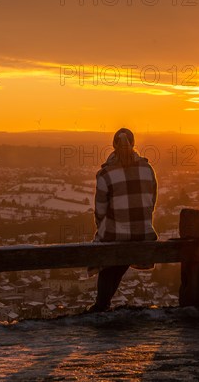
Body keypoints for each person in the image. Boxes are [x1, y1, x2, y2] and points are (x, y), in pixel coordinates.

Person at [86, 128, 158, 313]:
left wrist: (101, 227)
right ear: (133, 144)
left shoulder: (105, 174)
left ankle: (101, 305)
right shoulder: (147, 169)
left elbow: (100, 210)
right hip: (143, 233)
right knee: (118, 261)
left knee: (106, 258)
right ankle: (102, 304)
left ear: (113, 145)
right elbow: (151, 202)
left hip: (116, 234)